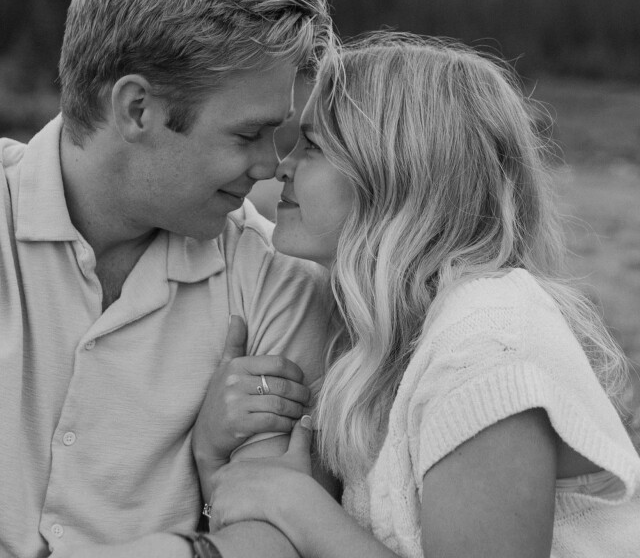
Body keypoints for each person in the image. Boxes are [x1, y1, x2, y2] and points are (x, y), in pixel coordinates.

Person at [205, 34, 640, 558]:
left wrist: (297, 505)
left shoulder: (487, 345)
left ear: (396, 171)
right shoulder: (373, 334)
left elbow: (300, 520)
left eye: (313, 146)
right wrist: (213, 456)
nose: (282, 166)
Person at [0, 0, 334, 557]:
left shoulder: (278, 283)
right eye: (248, 134)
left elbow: (279, 533)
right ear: (137, 109)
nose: (269, 165)